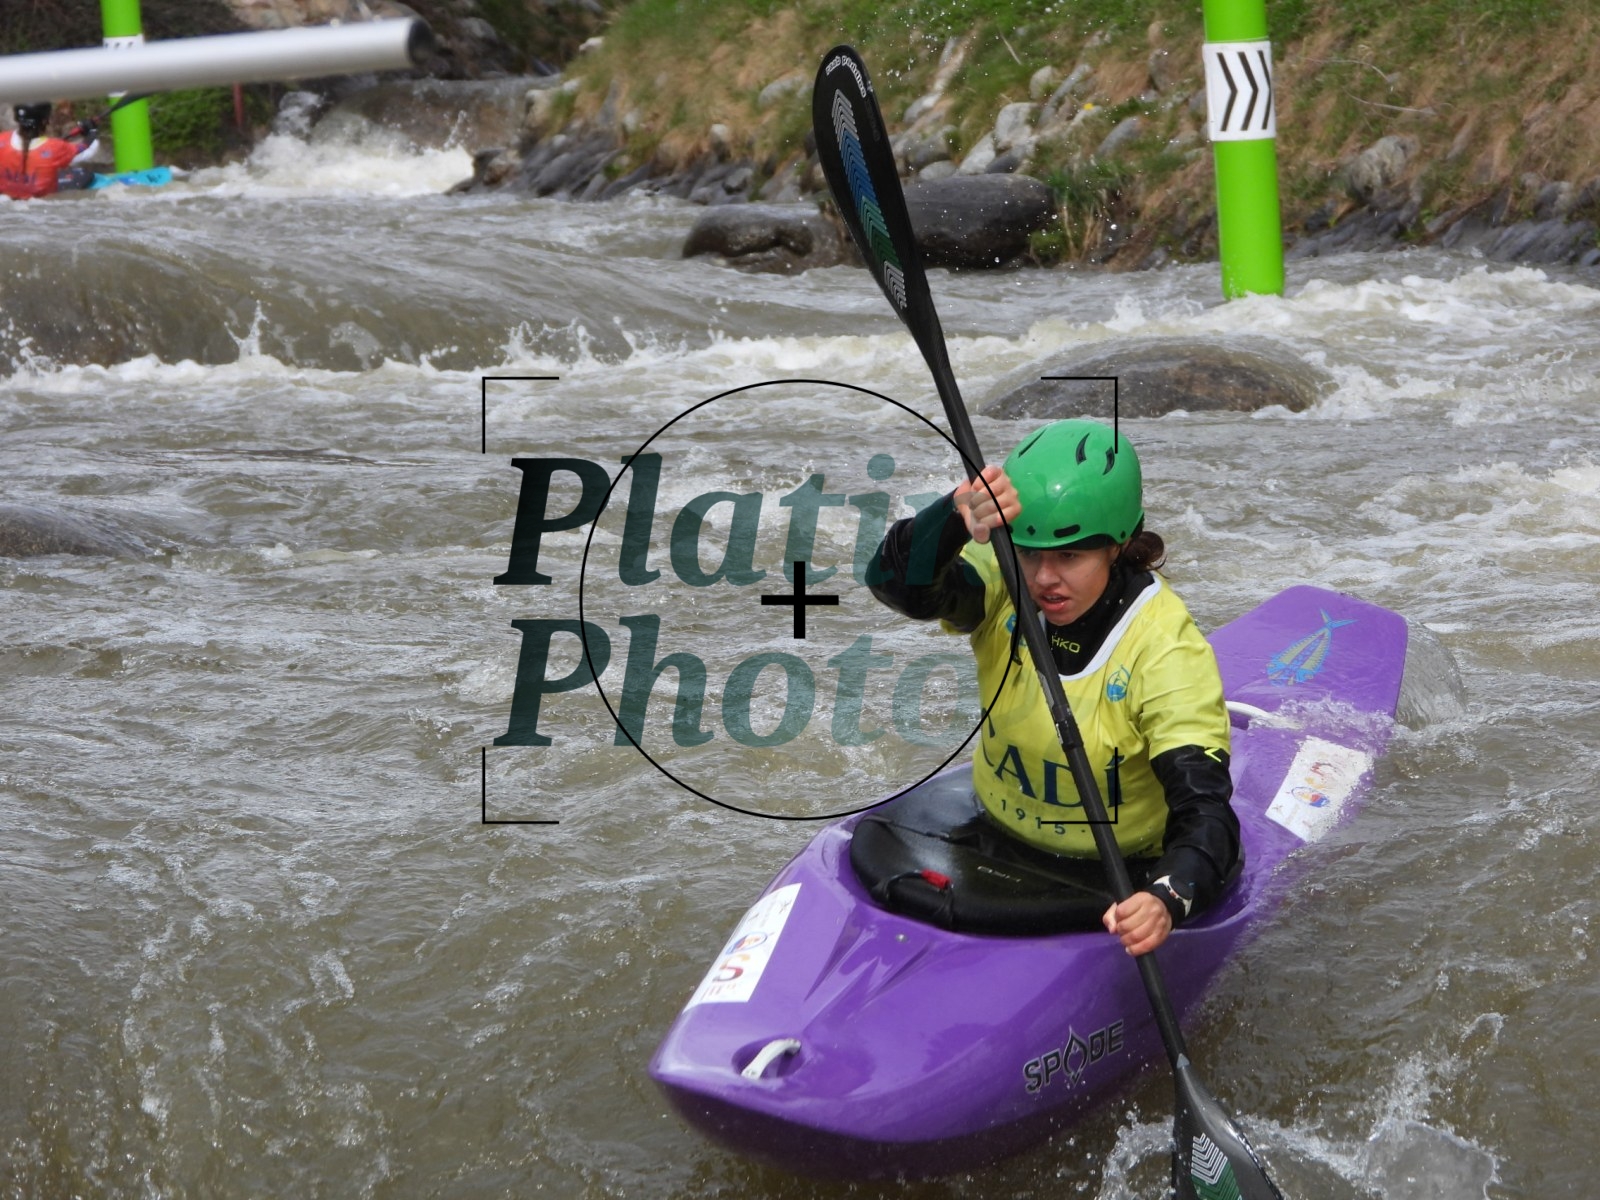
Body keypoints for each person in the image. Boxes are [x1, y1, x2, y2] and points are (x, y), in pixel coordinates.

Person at [868, 418, 1240, 957]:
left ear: (1117, 545)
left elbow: (1206, 811)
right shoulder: (1004, 576)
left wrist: (1165, 897)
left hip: (1114, 867)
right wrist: (952, 516)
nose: (1044, 578)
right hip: (990, 834)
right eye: (1031, 553)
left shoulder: (1166, 649)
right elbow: (895, 585)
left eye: (1069, 556)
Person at [1, 102, 99, 200]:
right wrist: (92, 131)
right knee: (83, 174)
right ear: (44, 121)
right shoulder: (55, 148)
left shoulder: (2, 139)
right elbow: (88, 150)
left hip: (6, 200)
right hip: (41, 203)